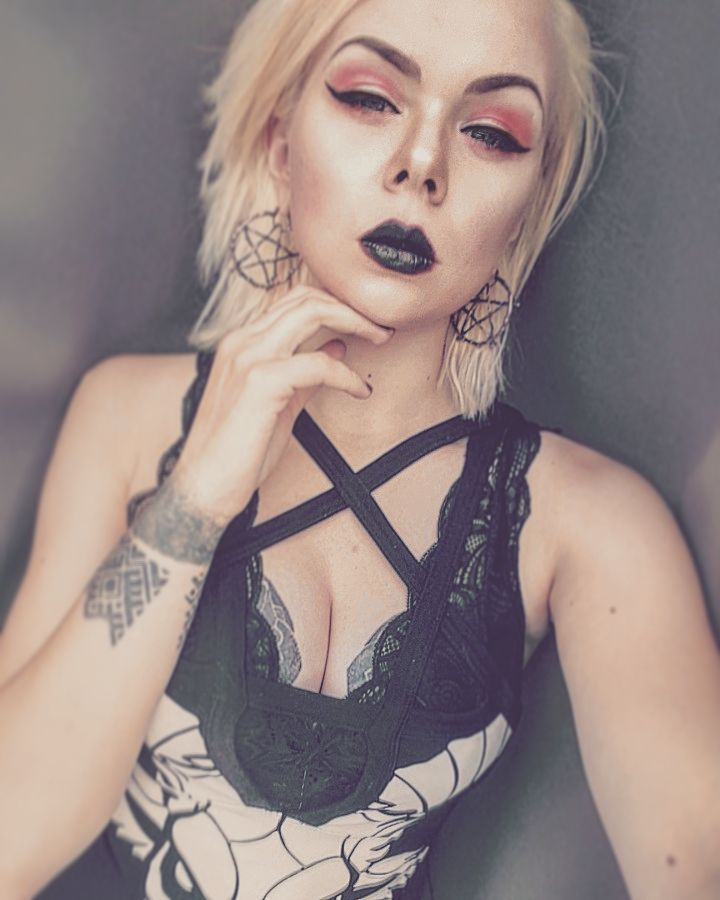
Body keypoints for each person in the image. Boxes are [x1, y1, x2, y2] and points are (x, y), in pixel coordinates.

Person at [1, 0, 719, 897]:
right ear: (280, 143)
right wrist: (193, 502)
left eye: (491, 133)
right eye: (371, 98)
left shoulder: (589, 525)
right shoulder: (128, 418)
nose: (422, 163)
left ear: (526, 206)